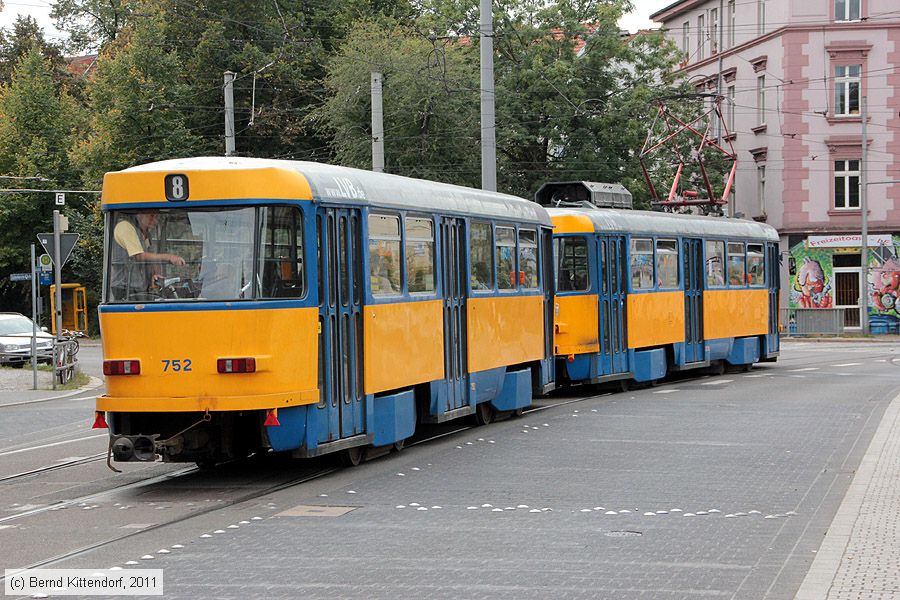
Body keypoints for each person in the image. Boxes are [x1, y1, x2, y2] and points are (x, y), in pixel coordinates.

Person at [110, 211, 185, 300]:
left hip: (139, 286)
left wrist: (156, 273)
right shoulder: (125, 227)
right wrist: (169, 257)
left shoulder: (144, 233)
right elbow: (139, 256)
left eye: (157, 217)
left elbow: (151, 255)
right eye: (152, 215)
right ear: (140, 213)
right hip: (125, 287)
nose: (155, 220)